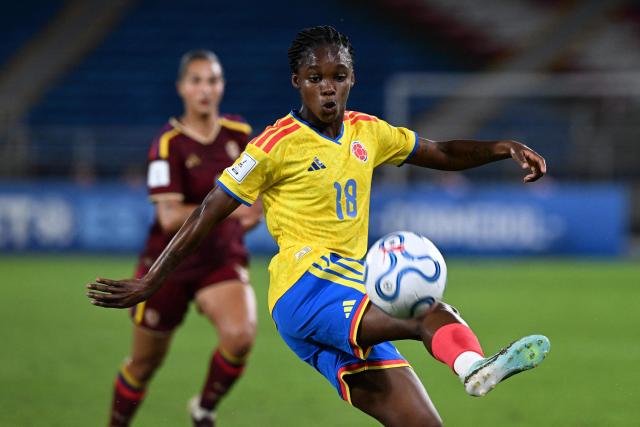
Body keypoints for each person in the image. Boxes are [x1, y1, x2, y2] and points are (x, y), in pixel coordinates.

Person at [88, 27, 549, 427]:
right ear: (297, 83)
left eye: (338, 77)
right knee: (424, 309)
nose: (327, 89)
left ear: (352, 79)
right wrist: (153, 280)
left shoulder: (369, 131)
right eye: (315, 79)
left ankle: (473, 366)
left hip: (338, 295)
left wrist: (502, 147)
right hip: (304, 286)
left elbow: (443, 153)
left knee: (422, 422)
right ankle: (472, 367)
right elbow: (209, 209)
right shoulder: (273, 145)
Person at [106, 50, 262, 427]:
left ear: (222, 86)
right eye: (196, 81)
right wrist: (225, 214)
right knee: (144, 364)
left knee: (240, 337)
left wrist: (225, 217)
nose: (205, 89)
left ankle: (203, 409)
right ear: (182, 88)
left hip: (219, 261)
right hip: (168, 264)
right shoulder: (168, 143)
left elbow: (255, 209)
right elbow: (168, 216)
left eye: (212, 80)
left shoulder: (240, 135)